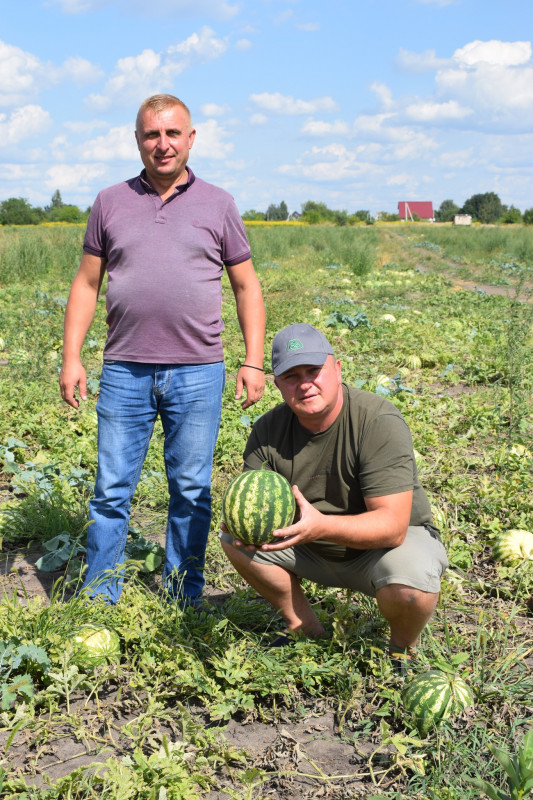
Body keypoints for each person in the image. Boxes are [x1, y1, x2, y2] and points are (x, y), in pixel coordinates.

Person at [60, 93, 265, 606]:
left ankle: (184, 595)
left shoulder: (218, 203)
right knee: (111, 491)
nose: (163, 144)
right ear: (137, 140)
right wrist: (71, 357)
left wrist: (253, 360)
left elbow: (247, 286)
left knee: (192, 492)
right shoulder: (110, 201)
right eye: (152, 134)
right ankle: (100, 596)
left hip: (198, 371)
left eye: (173, 133)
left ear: (191, 139)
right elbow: (87, 284)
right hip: (125, 369)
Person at [220, 323, 448, 671]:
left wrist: (321, 526)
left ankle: (402, 648)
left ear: (337, 369)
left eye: (314, 371)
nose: (305, 383)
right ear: (277, 383)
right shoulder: (267, 430)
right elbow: (253, 503)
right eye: (292, 376)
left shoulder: (377, 420)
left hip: (381, 549)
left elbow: (392, 527)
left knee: (412, 583)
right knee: (234, 539)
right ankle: (302, 626)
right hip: (308, 545)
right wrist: (244, 525)